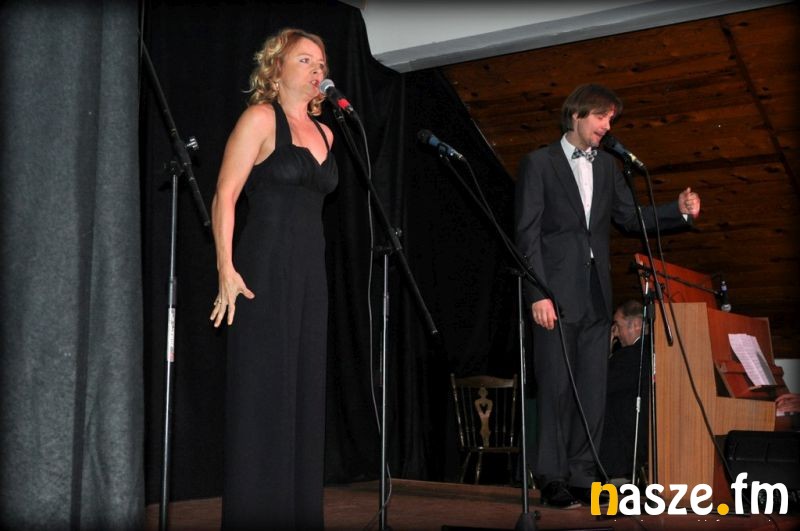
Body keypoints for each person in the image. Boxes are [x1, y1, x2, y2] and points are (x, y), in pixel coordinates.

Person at [514, 83, 701, 507]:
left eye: (611, 119)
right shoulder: (539, 163)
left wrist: (677, 210)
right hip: (553, 297)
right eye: (601, 117)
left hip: (596, 296)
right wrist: (536, 292)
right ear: (576, 115)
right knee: (557, 389)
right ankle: (552, 477)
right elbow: (526, 234)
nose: (607, 126)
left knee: (592, 391)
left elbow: (629, 218)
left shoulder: (608, 169)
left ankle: (582, 473)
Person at [208, 28, 337, 529]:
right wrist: (226, 268)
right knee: (265, 392)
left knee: (304, 393)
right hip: (262, 271)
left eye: (320, 63)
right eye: (305, 60)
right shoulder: (260, 118)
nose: (316, 69)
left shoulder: (328, 133)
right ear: (277, 67)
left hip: (311, 276)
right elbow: (225, 194)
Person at [600, 299, 651, 482]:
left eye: (618, 326)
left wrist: (604, 348)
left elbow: (598, 386)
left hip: (625, 450)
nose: (616, 333)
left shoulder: (629, 356)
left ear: (636, 325)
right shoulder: (655, 351)